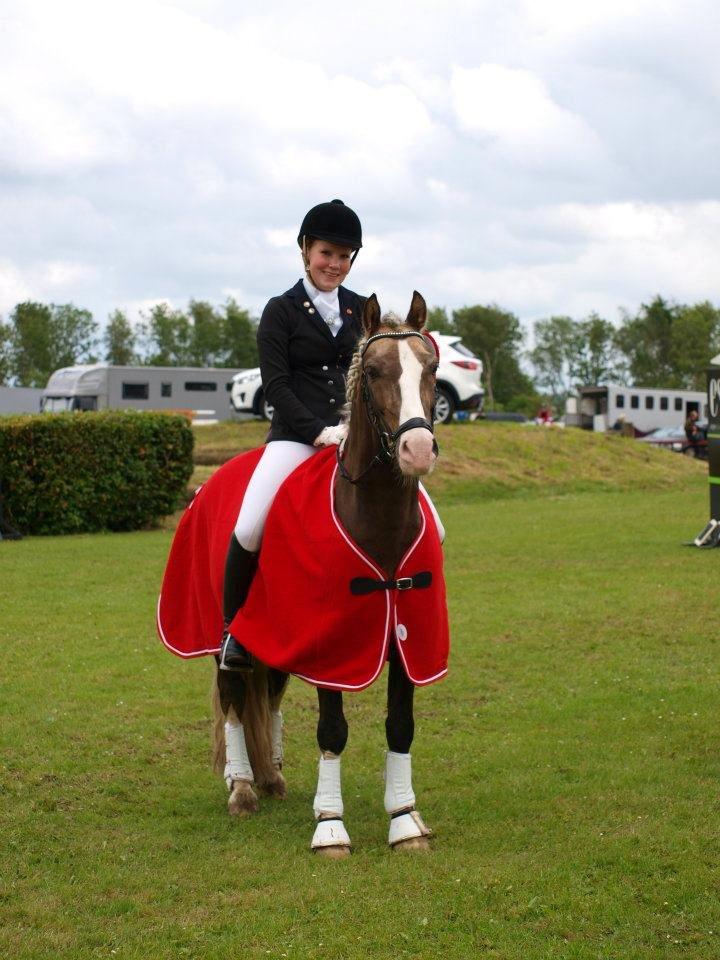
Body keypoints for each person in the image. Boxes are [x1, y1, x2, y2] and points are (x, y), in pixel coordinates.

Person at [219, 200, 366, 671]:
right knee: (249, 525)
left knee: (431, 524)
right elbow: (276, 384)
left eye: (345, 256)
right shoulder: (280, 310)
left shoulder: (362, 309)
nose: (335, 264)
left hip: (355, 437)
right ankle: (233, 633)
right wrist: (318, 430)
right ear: (306, 250)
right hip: (295, 437)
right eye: (327, 252)